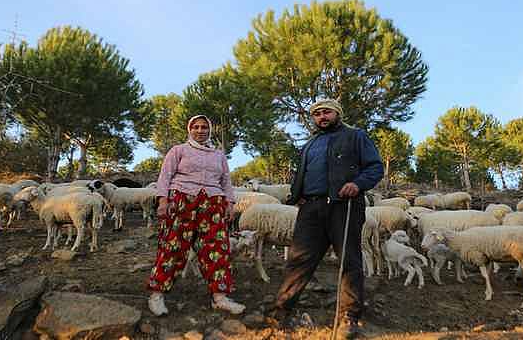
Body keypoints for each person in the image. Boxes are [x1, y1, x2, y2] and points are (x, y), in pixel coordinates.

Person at [268, 98, 384, 338]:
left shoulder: (355, 136)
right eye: (317, 113)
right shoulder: (311, 144)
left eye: (326, 112)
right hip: (311, 208)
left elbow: (375, 167)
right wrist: (297, 194)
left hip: (344, 205)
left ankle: (349, 317)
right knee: (299, 259)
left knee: (348, 260)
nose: (322, 116)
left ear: (337, 113)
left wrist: (357, 183)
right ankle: (281, 310)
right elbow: (303, 172)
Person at [146, 114, 246, 316]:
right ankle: (156, 295)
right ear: (189, 130)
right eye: (196, 127)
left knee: (217, 248)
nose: (200, 131)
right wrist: (163, 201)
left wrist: (230, 203)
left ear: (210, 130)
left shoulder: (219, 155)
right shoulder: (178, 151)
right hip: (182, 200)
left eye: (204, 127)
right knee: (172, 246)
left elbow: (226, 181)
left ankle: (220, 297)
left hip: (213, 202)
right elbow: (164, 176)